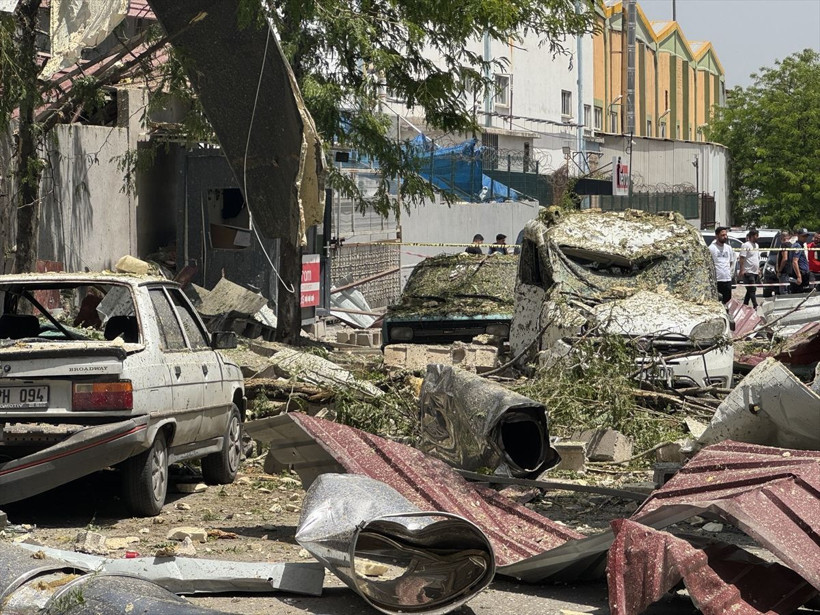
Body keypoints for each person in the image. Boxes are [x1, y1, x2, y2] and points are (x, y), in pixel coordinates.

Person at [708, 226, 737, 304]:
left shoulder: (728, 248)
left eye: (725, 235)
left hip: (727, 279)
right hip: (717, 280)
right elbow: (709, 264)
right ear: (717, 236)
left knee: (727, 303)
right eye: (722, 235)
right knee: (717, 302)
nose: (725, 237)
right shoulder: (711, 248)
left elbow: (731, 262)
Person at [739, 228, 760, 308]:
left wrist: (758, 269)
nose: (758, 237)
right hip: (748, 271)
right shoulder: (746, 245)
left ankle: (745, 305)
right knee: (752, 289)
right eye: (756, 236)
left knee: (749, 290)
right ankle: (755, 305)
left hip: (755, 271)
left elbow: (756, 257)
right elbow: (742, 258)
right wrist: (742, 270)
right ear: (751, 236)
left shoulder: (756, 245)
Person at [789, 228, 811, 293]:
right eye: (803, 236)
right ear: (798, 236)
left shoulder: (801, 246)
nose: (805, 238)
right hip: (800, 274)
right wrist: (799, 276)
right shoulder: (797, 246)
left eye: (806, 236)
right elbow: (794, 262)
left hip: (804, 274)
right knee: (799, 295)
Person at [776, 229, 793, 294]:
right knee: (789, 290)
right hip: (790, 270)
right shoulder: (791, 245)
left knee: (784, 291)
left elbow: (785, 258)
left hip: (784, 272)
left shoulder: (784, 245)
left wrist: (779, 270)